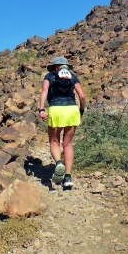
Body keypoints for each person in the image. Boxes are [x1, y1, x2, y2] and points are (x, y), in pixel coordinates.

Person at [38, 56, 86, 189]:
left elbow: (44, 91)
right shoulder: (73, 77)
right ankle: (68, 177)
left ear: (55, 67)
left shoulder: (50, 76)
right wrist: (81, 110)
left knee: (54, 141)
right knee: (68, 144)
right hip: (72, 110)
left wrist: (41, 109)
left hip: (56, 110)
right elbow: (82, 96)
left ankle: (59, 163)